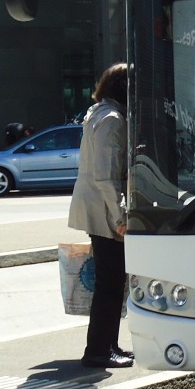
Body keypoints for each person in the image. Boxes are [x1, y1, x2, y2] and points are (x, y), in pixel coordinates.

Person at [68, 63, 133, 369]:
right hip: (104, 210)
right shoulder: (112, 120)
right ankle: (98, 351)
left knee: (112, 280)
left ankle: (107, 345)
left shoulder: (99, 113)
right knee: (111, 282)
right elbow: (106, 176)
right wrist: (121, 216)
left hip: (97, 206)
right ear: (124, 88)